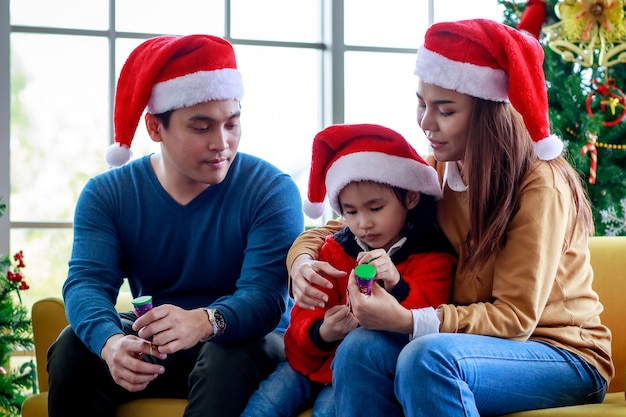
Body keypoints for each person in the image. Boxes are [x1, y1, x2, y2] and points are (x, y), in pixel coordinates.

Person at [286, 18, 613, 416]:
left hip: (560, 354)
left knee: (425, 358)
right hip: (466, 345)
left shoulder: (539, 186)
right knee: (359, 348)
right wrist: (301, 261)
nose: (425, 123)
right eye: (422, 104)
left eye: (445, 110)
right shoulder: (440, 172)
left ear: (489, 113)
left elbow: (516, 319)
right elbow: (348, 224)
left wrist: (410, 320)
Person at [46, 34, 304, 417]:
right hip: (160, 345)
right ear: (155, 128)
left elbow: (266, 299)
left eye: (232, 124)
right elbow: (86, 283)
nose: (223, 143)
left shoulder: (270, 189)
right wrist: (111, 342)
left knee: (225, 356)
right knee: (72, 347)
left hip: (246, 343)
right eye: (202, 128)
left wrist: (204, 320)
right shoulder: (108, 194)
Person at [241, 123, 457, 417]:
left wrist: (396, 282)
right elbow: (297, 328)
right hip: (307, 365)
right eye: (351, 212)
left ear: (410, 197)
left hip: (355, 376)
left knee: (329, 409)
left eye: (375, 208)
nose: (363, 223)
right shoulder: (334, 250)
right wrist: (322, 332)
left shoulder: (431, 256)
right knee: (263, 406)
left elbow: (429, 322)